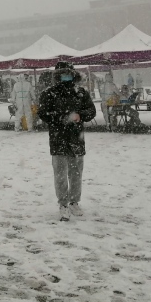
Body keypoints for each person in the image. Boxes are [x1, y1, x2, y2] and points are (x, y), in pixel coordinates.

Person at [37, 62, 97, 221]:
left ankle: (74, 202)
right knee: (60, 173)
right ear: (57, 75)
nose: (66, 76)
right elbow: (43, 113)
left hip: (76, 138)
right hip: (58, 138)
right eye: (63, 74)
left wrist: (80, 115)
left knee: (76, 172)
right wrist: (61, 118)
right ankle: (63, 203)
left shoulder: (81, 92)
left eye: (68, 73)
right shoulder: (49, 93)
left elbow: (91, 110)